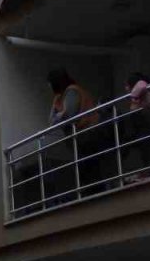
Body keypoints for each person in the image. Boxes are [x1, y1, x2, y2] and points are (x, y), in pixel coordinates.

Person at [46, 68, 109, 197]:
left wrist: (60, 116)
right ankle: (91, 192)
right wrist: (59, 114)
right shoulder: (60, 97)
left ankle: (94, 193)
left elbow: (69, 115)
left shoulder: (72, 91)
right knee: (85, 166)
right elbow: (52, 121)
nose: (49, 87)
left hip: (88, 133)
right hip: (80, 137)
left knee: (90, 166)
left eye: (50, 83)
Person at [122, 71, 150, 183]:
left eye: (127, 85)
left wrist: (134, 97)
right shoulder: (147, 92)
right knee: (148, 154)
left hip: (149, 128)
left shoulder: (143, 89)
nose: (126, 88)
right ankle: (149, 173)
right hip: (147, 129)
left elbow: (141, 84)